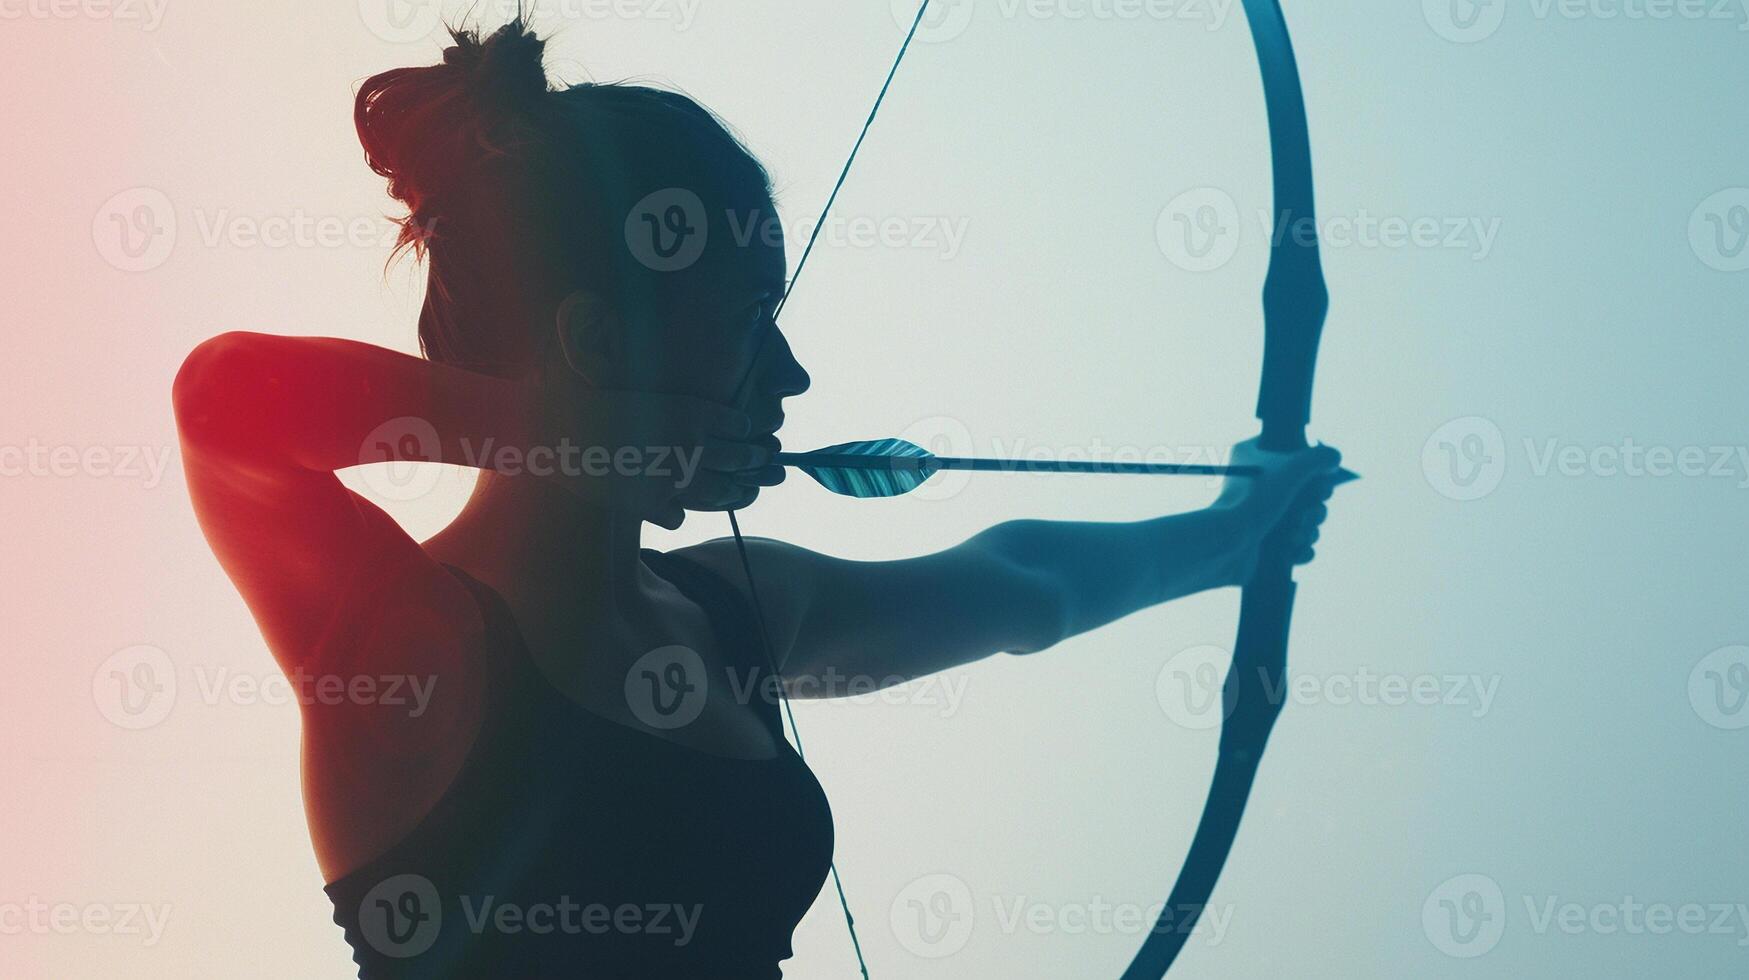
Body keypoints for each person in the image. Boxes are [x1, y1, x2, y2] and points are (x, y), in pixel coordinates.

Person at [171, 15, 1342, 979]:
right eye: (748, 319)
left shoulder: (729, 609)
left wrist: (1244, 530)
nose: (788, 375)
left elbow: (1020, 584)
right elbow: (227, 404)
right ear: (591, 339)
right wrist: (589, 434)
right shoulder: (408, 638)